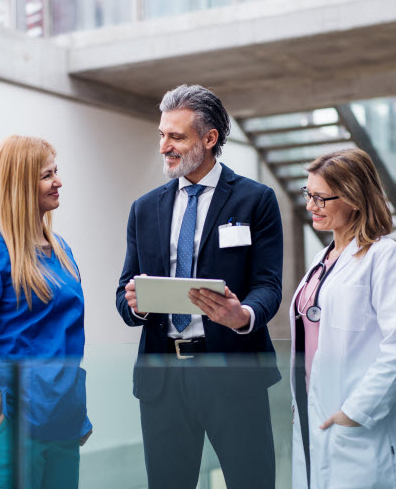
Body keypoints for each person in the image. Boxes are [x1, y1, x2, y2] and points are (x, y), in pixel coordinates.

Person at [115, 84, 283, 489]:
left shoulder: (255, 200)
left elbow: (268, 285)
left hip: (233, 371)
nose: (164, 146)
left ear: (209, 139)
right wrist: (134, 303)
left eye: (176, 136)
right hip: (163, 377)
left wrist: (243, 316)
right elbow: (124, 292)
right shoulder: (145, 208)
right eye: (162, 134)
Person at [0, 135, 92, 489]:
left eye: (56, 172)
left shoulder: (62, 251)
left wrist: (74, 412)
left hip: (61, 425)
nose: (58, 182)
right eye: (47, 175)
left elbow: (62, 338)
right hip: (9, 430)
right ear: (21, 183)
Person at [290, 149, 396, 489]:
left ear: (354, 198)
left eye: (321, 198)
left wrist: (355, 413)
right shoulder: (323, 259)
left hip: (357, 423)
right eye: (309, 194)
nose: (311, 206)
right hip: (312, 416)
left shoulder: (386, 257)